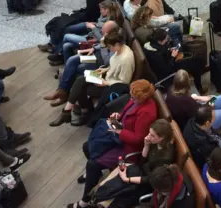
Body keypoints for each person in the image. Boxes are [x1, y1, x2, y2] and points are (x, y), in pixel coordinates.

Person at [68, 80, 157, 208]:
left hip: (127, 150)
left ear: (142, 98)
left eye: (133, 97)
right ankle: (95, 176)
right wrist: (118, 117)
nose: (130, 99)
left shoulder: (147, 112)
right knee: (87, 146)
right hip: (118, 137)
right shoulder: (136, 99)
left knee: (92, 164)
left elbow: (138, 139)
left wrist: (119, 131)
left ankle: (85, 201)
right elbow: (127, 114)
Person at [50, 28, 135, 126]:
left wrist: (105, 83)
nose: (109, 49)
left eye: (110, 47)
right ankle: (69, 112)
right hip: (106, 77)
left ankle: (78, 113)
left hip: (110, 87)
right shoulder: (119, 49)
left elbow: (124, 82)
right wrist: (104, 69)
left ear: (116, 44)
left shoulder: (126, 59)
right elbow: (114, 65)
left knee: (81, 85)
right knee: (80, 79)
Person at [92, 119, 175, 206]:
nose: (148, 136)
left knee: (120, 197)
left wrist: (127, 179)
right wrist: (146, 145)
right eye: (149, 133)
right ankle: (95, 199)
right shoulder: (154, 142)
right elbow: (142, 161)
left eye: (152, 135)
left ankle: (99, 200)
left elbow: (151, 179)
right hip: (140, 170)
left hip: (146, 183)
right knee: (113, 186)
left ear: (162, 137)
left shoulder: (166, 157)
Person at [43, 20, 119, 106]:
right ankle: (61, 91)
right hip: (94, 55)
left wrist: (102, 46)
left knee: (78, 69)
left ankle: (69, 98)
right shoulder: (109, 37)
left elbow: (107, 61)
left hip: (100, 64)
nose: (102, 33)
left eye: (104, 32)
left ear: (112, 32)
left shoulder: (117, 43)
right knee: (72, 60)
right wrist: (95, 48)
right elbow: (103, 42)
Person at [166, 70, 221, 137]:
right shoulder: (185, 101)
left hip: (197, 111)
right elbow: (201, 115)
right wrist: (210, 102)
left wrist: (199, 98)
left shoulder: (171, 90)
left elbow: (193, 104)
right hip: (199, 125)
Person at [143, 27, 203, 91]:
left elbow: (163, 50)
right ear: (160, 41)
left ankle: (197, 74)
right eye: (166, 39)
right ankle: (199, 88)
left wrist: (169, 50)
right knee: (195, 65)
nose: (167, 40)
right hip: (168, 73)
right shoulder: (155, 55)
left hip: (169, 62)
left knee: (195, 61)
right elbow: (166, 69)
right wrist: (173, 56)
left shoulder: (153, 44)